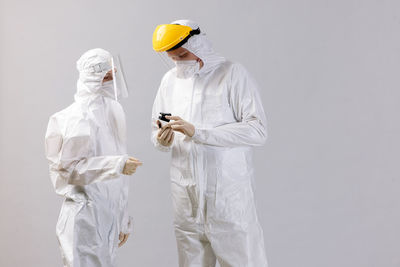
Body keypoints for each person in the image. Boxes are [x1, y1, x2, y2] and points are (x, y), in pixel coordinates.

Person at [151, 20, 269, 267]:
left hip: (227, 198)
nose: (179, 62)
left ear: (198, 44)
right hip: (186, 199)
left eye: (183, 54)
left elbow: (257, 130)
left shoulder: (232, 74)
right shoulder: (169, 81)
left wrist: (200, 133)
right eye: (173, 58)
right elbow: (157, 130)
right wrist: (161, 139)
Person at [45, 48, 142, 267]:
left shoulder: (111, 111)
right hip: (84, 217)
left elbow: (119, 177)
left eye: (113, 75)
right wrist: (117, 164)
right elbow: (69, 169)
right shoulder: (76, 117)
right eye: (107, 76)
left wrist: (122, 217)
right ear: (94, 78)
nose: (112, 80)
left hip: (107, 214)